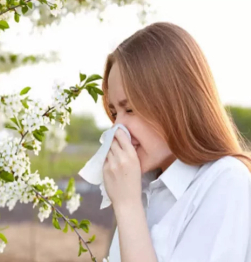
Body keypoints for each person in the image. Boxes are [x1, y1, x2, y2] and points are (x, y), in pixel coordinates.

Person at [101, 22, 251, 262]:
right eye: (114, 113)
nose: (118, 128)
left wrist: (128, 206)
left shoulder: (226, 181)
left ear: (175, 102)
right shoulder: (143, 188)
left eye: (129, 109)